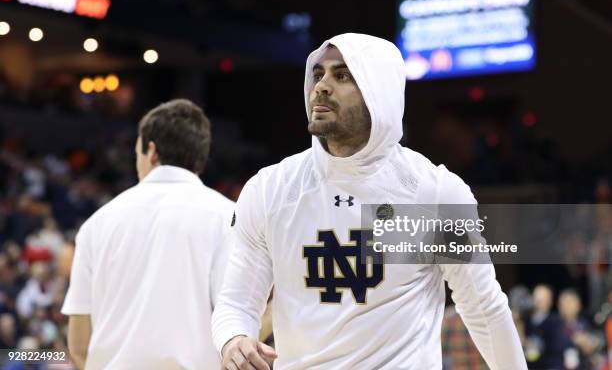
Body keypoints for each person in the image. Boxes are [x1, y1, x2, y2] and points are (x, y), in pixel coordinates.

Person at [211, 34, 527, 369]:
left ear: (380, 92)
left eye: (342, 75)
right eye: (318, 74)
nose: (321, 86)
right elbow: (236, 303)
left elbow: (483, 309)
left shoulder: (435, 193)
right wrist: (234, 339)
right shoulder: (269, 188)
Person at [62, 99, 235, 369]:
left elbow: (79, 345)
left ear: (151, 151)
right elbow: (237, 330)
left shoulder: (97, 223)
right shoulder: (228, 218)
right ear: (199, 157)